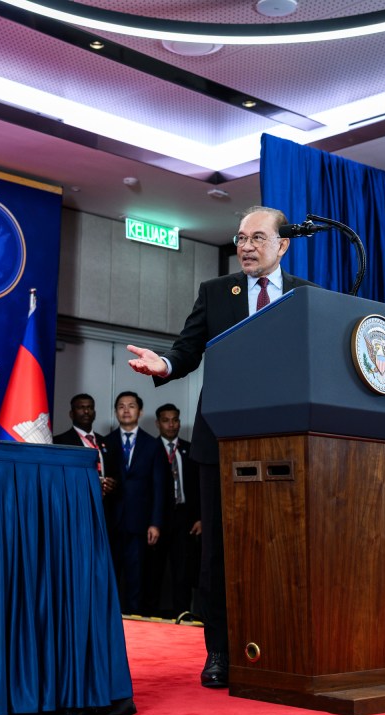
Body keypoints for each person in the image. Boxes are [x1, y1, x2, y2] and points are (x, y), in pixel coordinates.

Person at [126, 205, 316, 688]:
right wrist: (162, 365)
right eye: (240, 238)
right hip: (221, 441)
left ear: (283, 244)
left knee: (281, 546)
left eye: (257, 238)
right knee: (219, 552)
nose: (246, 247)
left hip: (288, 439)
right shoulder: (217, 293)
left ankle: (282, 644)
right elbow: (186, 353)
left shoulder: (307, 297)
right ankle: (220, 652)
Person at [105, 391, 166, 615]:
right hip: (111, 521)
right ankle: (111, 618)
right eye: (121, 406)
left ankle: (134, 619)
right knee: (110, 574)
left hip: (140, 523)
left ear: (140, 411)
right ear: (115, 412)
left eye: (131, 406)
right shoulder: (105, 442)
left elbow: (160, 488)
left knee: (137, 575)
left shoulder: (152, 445)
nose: (126, 410)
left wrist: (155, 523)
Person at [144, 403, 201, 619]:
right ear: (158, 423)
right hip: (158, 516)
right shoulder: (150, 448)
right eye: (166, 420)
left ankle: (183, 615)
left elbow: (199, 487)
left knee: (183, 570)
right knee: (154, 570)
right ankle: (149, 614)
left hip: (185, 517)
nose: (171, 424)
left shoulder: (191, 449)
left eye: (175, 419)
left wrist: (200, 518)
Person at [54, 393, 120, 498]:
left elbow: (116, 473)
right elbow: (57, 476)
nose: (86, 411)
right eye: (81, 407)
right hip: (75, 500)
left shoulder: (107, 442)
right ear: (71, 413)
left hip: (105, 504)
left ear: (95, 413)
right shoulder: (59, 442)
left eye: (90, 407)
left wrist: (112, 484)